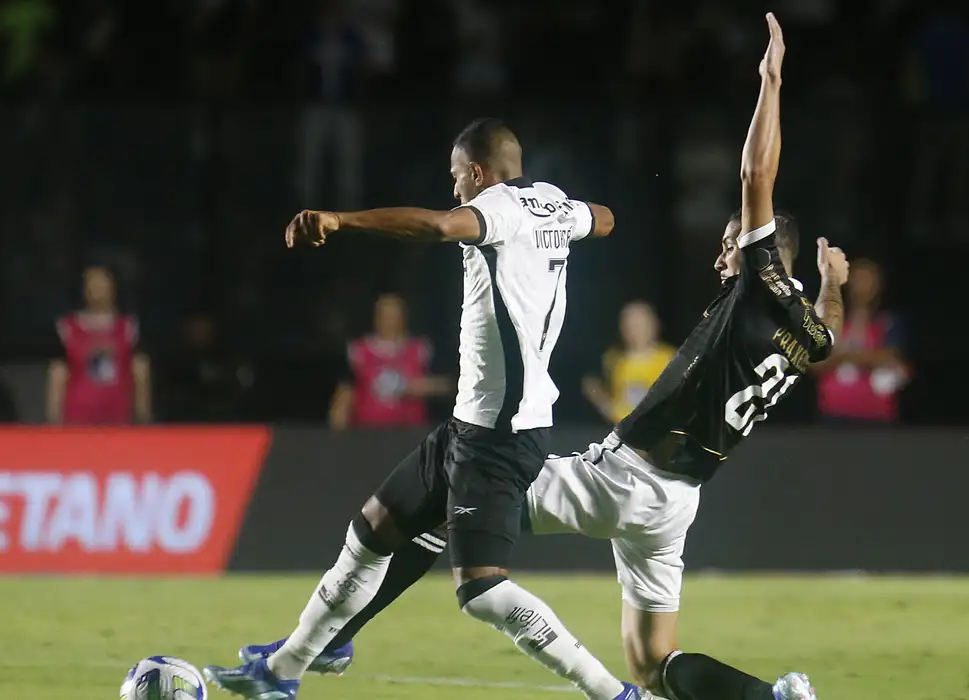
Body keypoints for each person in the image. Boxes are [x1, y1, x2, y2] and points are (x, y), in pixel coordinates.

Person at [238, 15, 846, 700]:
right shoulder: (804, 330)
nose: (722, 253)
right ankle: (773, 698)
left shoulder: (756, 282)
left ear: (767, 250)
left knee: (456, 511)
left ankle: (332, 643)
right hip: (678, 503)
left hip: (623, 479)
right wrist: (832, 289)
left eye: (733, 242)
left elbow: (754, 169)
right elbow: (823, 335)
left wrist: (770, 81)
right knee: (656, 662)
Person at [202, 118, 661, 700]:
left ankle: (616, 695)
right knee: (373, 528)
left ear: (475, 172)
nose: (453, 190)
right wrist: (573, 216)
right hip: (471, 423)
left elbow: (440, 225)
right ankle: (288, 667)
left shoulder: (496, 208)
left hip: (500, 433)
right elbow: (606, 218)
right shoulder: (551, 205)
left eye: (455, 178)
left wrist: (342, 220)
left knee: (483, 591)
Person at [328, 293, 451, 431]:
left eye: (395, 315)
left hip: (412, 433)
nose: (390, 320)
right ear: (376, 317)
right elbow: (345, 392)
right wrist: (339, 425)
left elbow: (446, 385)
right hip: (369, 433)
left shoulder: (421, 350)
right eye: (386, 315)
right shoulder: (359, 352)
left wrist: (413, 386)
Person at [46, 265, 151, 425]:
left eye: (102, 282)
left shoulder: (129, 328)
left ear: (113, 287)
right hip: (77, 418)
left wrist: (143, 417)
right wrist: (53, 420)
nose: (97, 288)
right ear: (84, 289)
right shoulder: (66, 328)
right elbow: (58, 374)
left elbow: (140, 371)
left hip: (118, 417)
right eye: (92, 283)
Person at [812, 258, 909, 424]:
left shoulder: (888, 322)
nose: (862, 286)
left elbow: (888, 358)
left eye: (868, 279)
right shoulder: (830, 319)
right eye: (858, 279)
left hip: (876, 416)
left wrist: (845, 354)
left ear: (879, 284)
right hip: (834, 415)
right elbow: (815, 363)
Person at [582, 300, 676, 424]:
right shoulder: (612, 359)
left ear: (655, 325)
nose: (635, 330)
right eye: (629, 325)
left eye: (640, 324)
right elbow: (601, 393)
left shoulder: (671, 359)